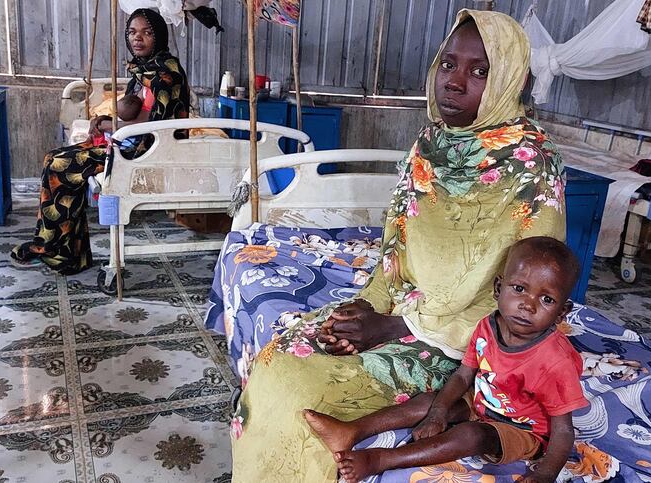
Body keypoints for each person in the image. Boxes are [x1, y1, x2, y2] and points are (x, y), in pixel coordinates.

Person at [231, 10, 567, 482]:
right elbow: (397, 245)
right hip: (401, 310)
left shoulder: (532, 163)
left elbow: (524, 294)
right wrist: (365, 313)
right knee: (278, 354)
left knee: (298, 386)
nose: (455, 81)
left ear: (512, 79)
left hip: (470, 347)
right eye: (448, 64)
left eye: (480, 70)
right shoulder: (430, 143)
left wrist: (394, 327)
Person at [303, 236, 588, 483]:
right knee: (429, 401)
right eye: (519, 288)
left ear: (562, 313)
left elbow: (563, 429)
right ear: (498, 288)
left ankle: (379, 460)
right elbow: (464, 376)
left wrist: (546, 473)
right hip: (483, 402)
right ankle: (351, 431)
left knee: (471, 436)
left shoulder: (555, 361)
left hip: (523, 431)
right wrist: (439, 412)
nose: (528, 304)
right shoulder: (488, 326)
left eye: (547, 300)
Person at [11, 8, 190, 274]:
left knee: (62, 166)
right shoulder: (143, 71)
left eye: (146, 32)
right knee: (54, 159)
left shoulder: (166, 74)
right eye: (132, 32)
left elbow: (157, 125)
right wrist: (109, 122)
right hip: (128, 142)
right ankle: (68, 252)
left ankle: (55, 249)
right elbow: (137, 113)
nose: (137, 38)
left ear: (159, 36)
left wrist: (109, 125)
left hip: (150, 151)